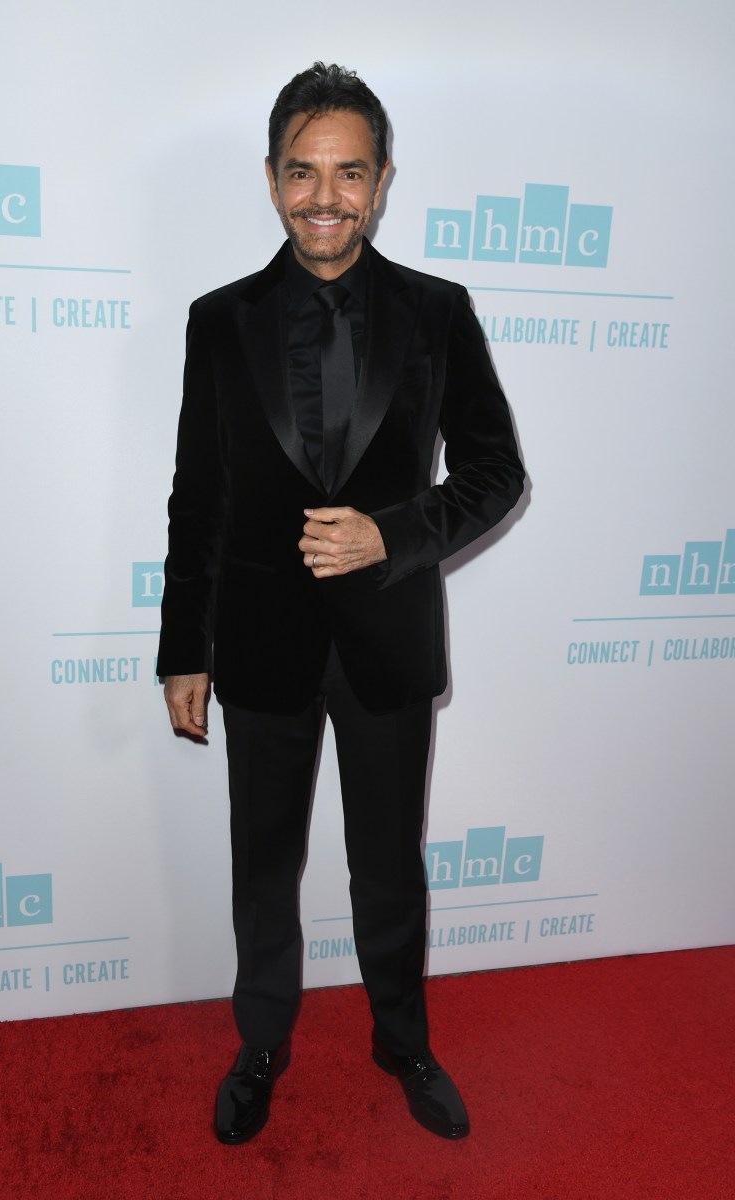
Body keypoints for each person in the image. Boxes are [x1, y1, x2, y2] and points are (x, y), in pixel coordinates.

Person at [157, 62, 525, 1144]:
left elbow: (494, 473)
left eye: (348, 173)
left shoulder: (436, 314)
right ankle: (260, 1041)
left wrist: (391, 533)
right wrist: (185, 647)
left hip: (385, 643)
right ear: (271, 179)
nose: (326, 196)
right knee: (263, 864)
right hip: (260, 645)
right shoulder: (217, 323)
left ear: (382, 179)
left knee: (385, 865)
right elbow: (199, 496)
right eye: (302, 172)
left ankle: (400, 1039)